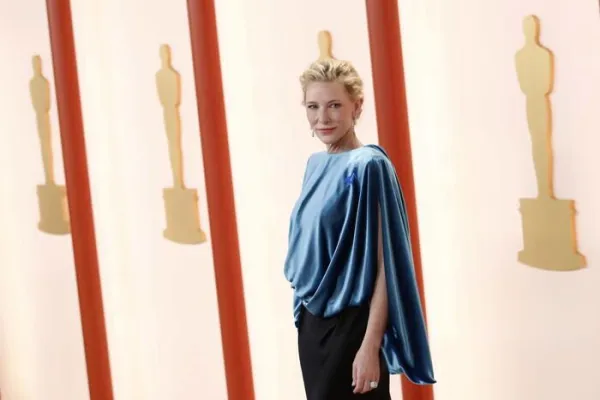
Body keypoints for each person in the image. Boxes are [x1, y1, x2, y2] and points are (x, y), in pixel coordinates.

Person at [284, 58, 436, 399]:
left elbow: (386, 268)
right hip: (313, 326)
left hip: (353, 327)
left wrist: (370, 345)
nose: (323, 118)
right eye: (313, 106)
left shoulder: (370, 165)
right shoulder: (315, 164)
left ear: (357, 106)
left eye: (334, 105)